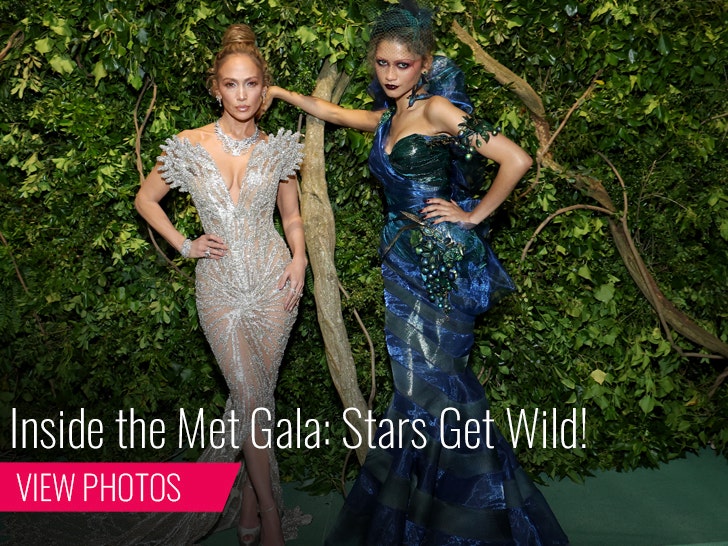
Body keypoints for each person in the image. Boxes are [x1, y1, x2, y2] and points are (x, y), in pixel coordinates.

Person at [264, 4, 570, 545]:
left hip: (439, 260)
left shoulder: (437, 112)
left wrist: (472, 215)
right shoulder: (388, 117)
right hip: (402, 259)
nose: (389, 74)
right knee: (417, 391)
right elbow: (335, 114)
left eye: (401, 65)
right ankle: (425, 519)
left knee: (433, 387)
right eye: (382, 63)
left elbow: (516, 159)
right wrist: (283, 95)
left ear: (423, 65)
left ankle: (474, 519)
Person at [134, 23, 306, 546]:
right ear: (215, 87)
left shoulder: (278, 149)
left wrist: (300, 259)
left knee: (258, 397)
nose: (242, 95)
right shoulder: (189, 145)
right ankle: (270, 515)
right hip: (219, 291)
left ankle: (250, 514)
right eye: (231, 85)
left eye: (252, 83)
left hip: (275, 282)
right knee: (251, 395)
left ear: (264, 86)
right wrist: (185, 244)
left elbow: (292, 216)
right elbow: (146, 200)